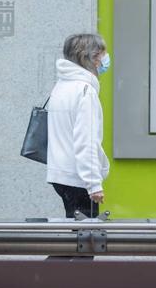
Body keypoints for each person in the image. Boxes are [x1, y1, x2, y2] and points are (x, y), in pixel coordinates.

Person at [46, 33, 110, 219]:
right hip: (78, 178)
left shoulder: (62, 86)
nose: (104, 60)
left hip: (61, 174)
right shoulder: (85, 91)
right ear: (89, 57)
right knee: (86, 238)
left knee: (74, 232)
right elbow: (86, 141)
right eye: (101, 54)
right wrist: (93, 184)